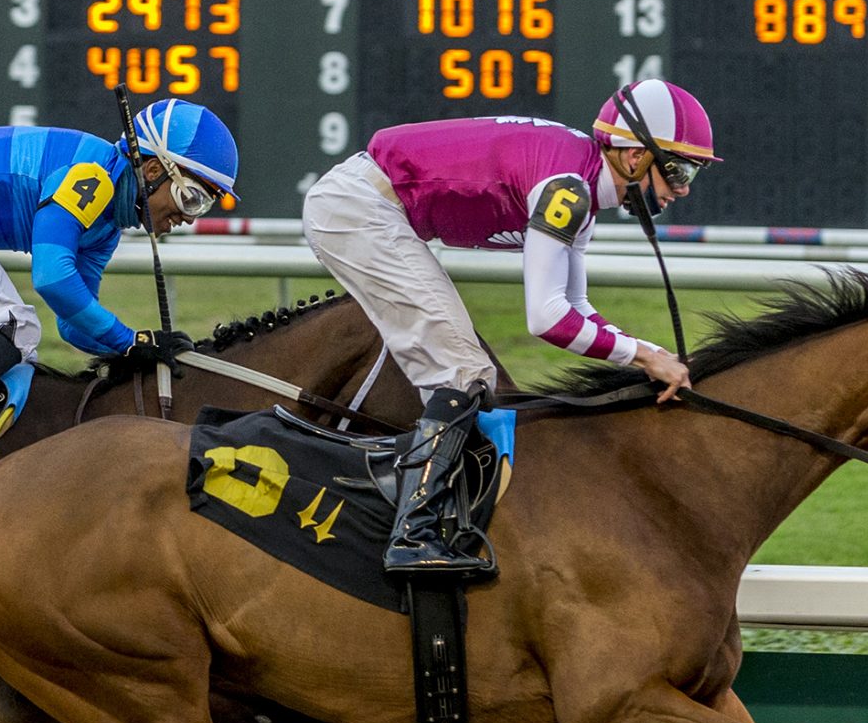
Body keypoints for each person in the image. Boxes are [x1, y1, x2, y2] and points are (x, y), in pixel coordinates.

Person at [301, 79, 720, 575]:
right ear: (634, 157)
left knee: (467, 375)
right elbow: (546, 318)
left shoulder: (580, 191)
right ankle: (414, 535)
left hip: (370, 206)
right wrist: (644, 357)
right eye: (678, 169)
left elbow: (576, 306)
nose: (683, 187)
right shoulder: (568, 188)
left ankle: (425, 508)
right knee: (464, 374)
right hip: (361, 210)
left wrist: (650, 352)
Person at [0, 99, 239, 491]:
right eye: (191, 197)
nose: (189, 218)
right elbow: (52, 278)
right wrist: (127, 340)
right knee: (12, 325)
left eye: (202, 206)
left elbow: (71, 325)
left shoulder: (104, 229)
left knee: (11, 355)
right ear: (152, 170)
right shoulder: (93, 177)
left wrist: (138, 348)